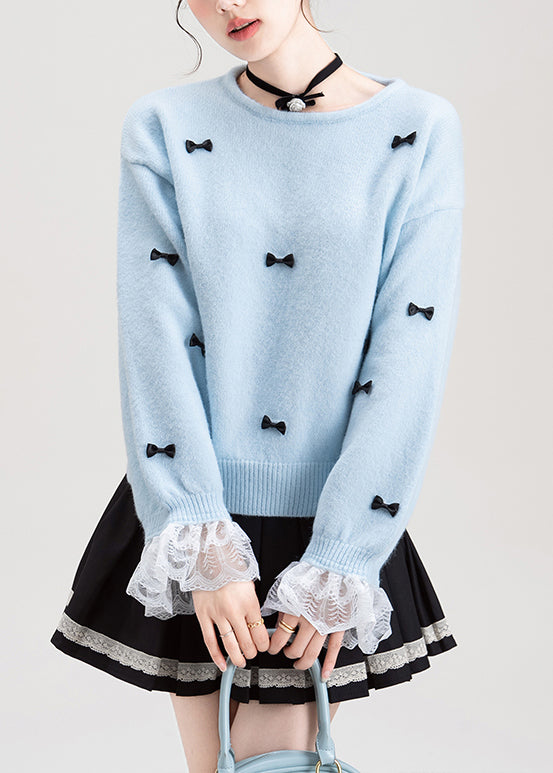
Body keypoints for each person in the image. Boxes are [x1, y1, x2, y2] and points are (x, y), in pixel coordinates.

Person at [50, 1, 464, 770]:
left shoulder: (417, 128)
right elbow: (154, 340)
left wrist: (342, 551)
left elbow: (410, 352)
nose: (228, 5)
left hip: (332, 516)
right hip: (192, 507)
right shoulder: (164, 125)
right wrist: (200, 539)